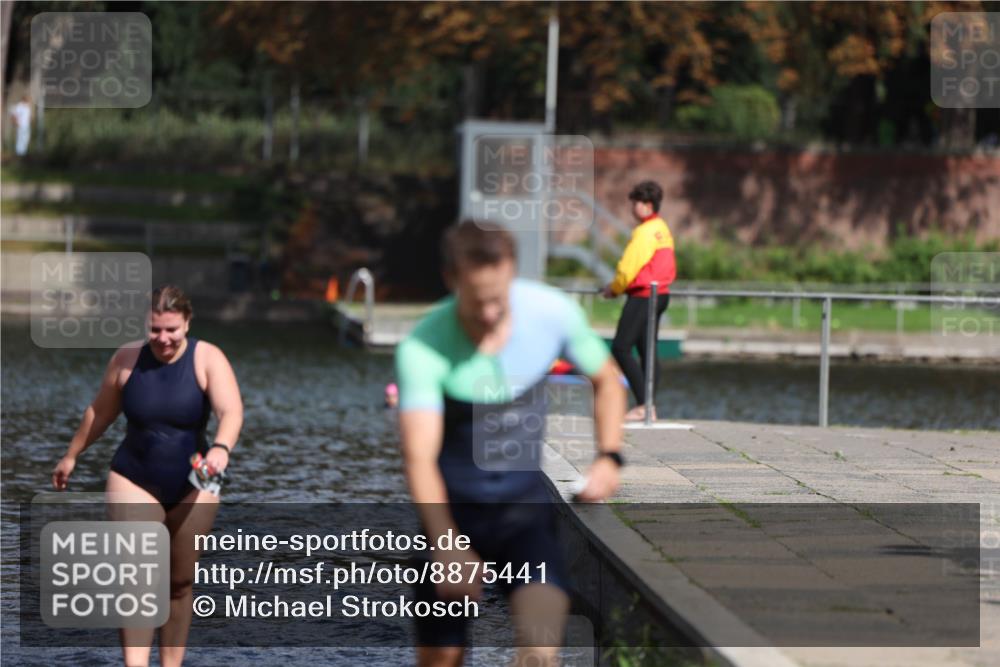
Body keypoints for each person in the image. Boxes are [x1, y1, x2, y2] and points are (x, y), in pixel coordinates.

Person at [396, 220, 627, 667]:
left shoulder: (551, 313)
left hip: (525, 519)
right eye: (477, 302)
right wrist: (445, 543)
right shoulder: (423, 347)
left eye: (498, 302)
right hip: (451, 516)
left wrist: (609, 456)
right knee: (441, 657)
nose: (488, 315)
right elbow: (418, 457)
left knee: (541, 649)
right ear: (451, 280)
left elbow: (608, 381)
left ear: (513, 274)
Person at [51, 285, 243, 667]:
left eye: (172, 329)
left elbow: (231, 411)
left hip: (197, 481)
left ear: (187, 323)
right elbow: (99, 413)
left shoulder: (208, 358)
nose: (164, 339)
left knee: (179, 582)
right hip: (133, 477)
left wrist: (221, 449)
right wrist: (71, 455)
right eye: (155, 329)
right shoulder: (127, 359)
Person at [602, 181, 676, 421]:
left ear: (647, 205)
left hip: (644, 295)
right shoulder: (662, 228)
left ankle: (645, 405)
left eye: (635, 203)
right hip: (660, 294)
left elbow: (628, 268)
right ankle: (649, 406)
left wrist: (614, 288)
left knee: (621, 347)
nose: (633, 208)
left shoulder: (644, 232)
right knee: (648, 351)